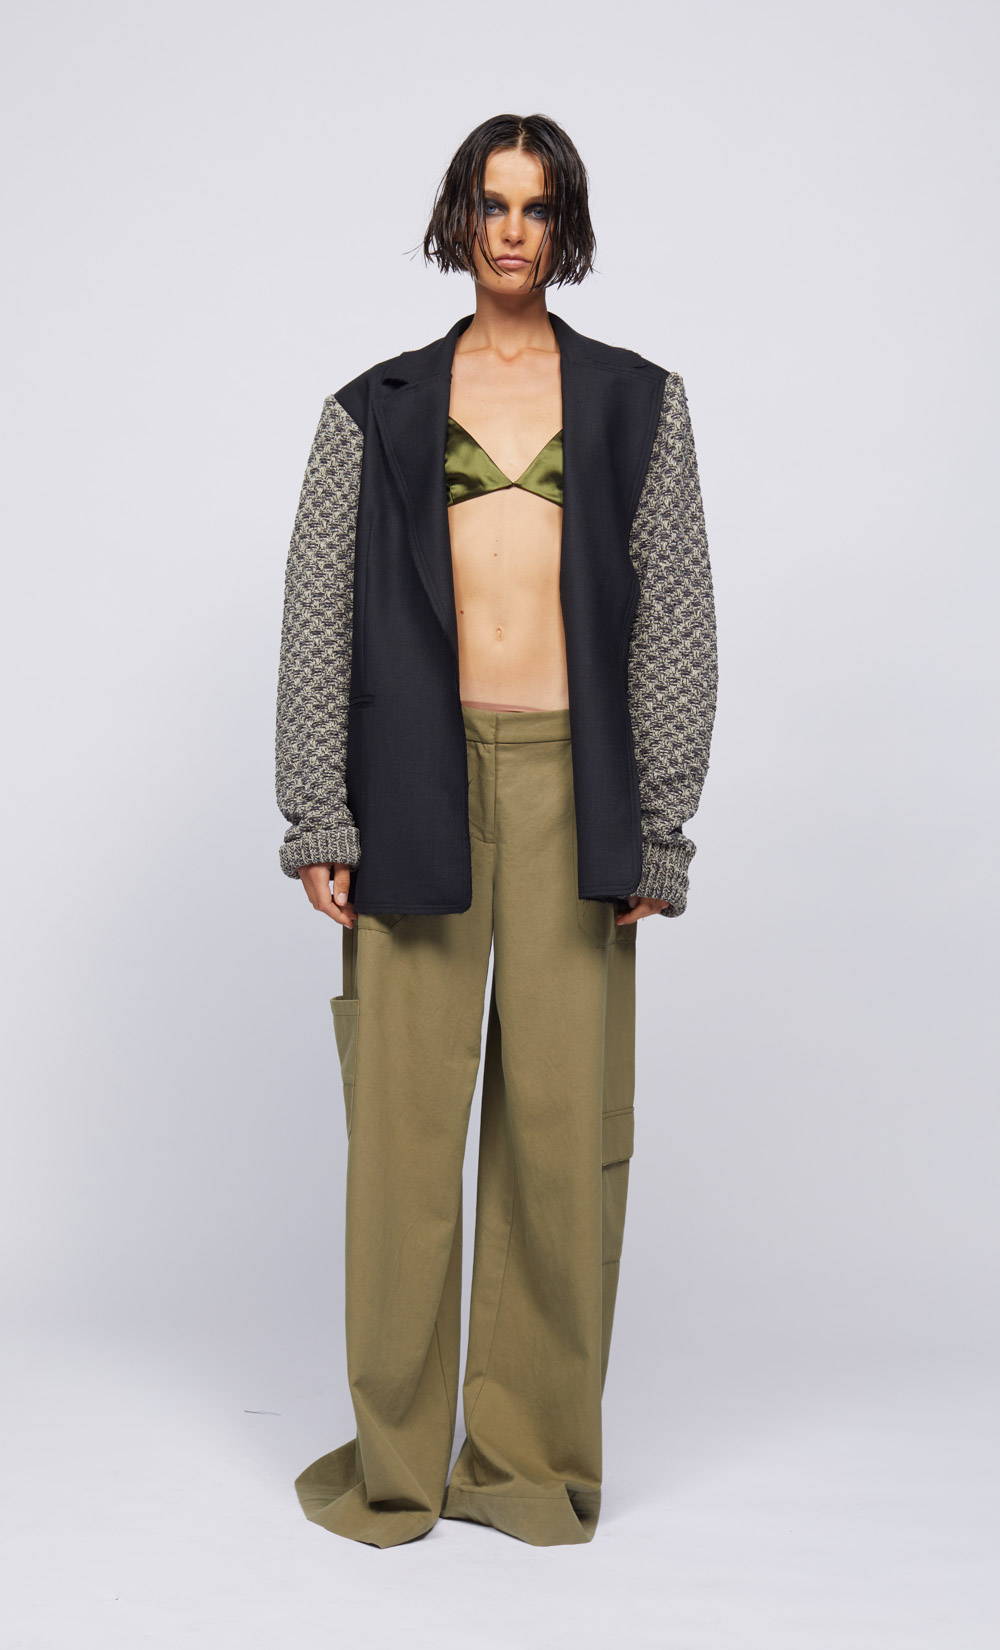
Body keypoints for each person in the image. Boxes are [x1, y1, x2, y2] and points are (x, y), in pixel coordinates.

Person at [274, 112, 719, 1549]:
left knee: (559, 1138)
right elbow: (317, 616)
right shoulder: (375, 408)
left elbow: (677, 620)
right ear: (458, 219)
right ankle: (400, 1467)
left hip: (572, 789)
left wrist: (659, 825)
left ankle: (525, 1461)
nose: (511, 230)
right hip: (414, 777)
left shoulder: (640, 403)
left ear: (563, 225)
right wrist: (319, 807)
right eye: (491, 202)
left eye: (535, 206)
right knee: (403, 1136)